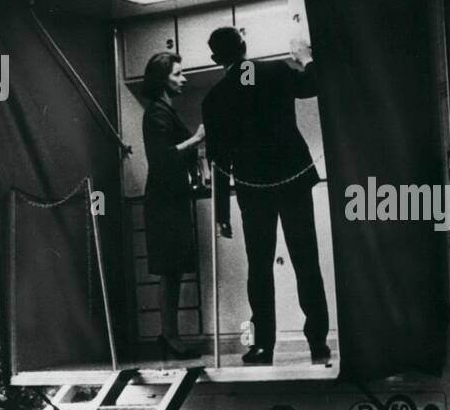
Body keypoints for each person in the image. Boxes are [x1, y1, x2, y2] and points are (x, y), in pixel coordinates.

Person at [201, 26, 330, 365]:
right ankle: (318, 341)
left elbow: (217, 162)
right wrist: (307, 57)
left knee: (259, 267)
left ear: (216, 59)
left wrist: (221, 215)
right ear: (245, 45)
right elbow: (316, 84)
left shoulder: (214, 98)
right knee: (306, 260)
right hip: (292, 178)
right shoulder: (275, 71)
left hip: (253, 188)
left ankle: (263, 346)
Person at [141, 51, 205, 360]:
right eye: (178, 74)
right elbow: (163, 157)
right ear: (162, 79)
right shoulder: (156, 113)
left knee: (174, 270)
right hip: (164, 201)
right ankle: (169, 335)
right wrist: (196, 139)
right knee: (169, 271)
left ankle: (170, 335)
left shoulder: (165, 111)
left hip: (172, 198)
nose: (184, 78)